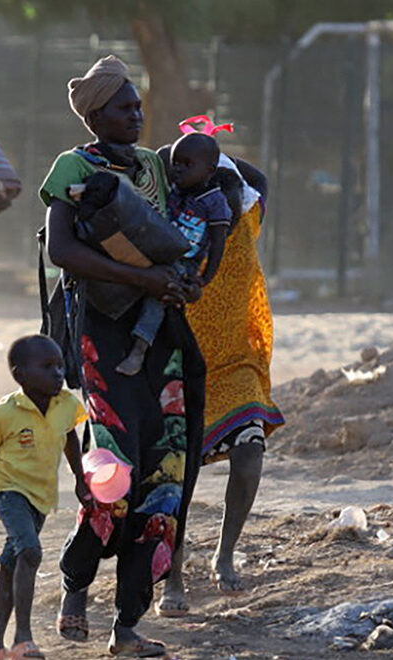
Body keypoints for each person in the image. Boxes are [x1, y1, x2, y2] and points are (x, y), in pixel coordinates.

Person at [40, 55, 206, 658]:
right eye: (123, 108)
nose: (136, 116)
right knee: (113, 474)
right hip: (102, 336)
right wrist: (143, 282)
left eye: (138, 107)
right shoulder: (72, 167)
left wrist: (179, 282)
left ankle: (128, 623)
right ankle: (76, 585)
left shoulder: (154, 169)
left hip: (159, 339)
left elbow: (180, 236)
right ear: (95, 115)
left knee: (164, 475)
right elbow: (62, 250)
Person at [157, 150, 281, 615]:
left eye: (227, 192)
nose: (223, 204)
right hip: (180, 363)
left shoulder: (249, 216)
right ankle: (174, 572)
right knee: (178, 477)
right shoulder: (178, 223)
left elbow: (260, 177)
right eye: (214, 195)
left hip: (236, 363)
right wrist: (187, 154)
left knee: (250, 453)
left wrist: (212, 146)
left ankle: (225, 553)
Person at [0, 334, 89, 660]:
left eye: (60, 365)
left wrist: (79, 479)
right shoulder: (7, 412)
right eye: (47, 367)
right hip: (9, 490)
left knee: (12, 561)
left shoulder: (66, 405)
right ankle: (23, 638)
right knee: (29, 552)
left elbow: (70, 440)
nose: (58, 373)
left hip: (41, 495)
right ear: (20, 375)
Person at [96, 132, 232, 377]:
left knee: (159, 296)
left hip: (183, 262)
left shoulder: (215, 201)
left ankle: (139, 348)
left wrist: (204, 278)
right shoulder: (174, 191)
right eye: (175, 163)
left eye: (187, 164)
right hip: (156, 249)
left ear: (210, 169)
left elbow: (218, 243)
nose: (178, 169)